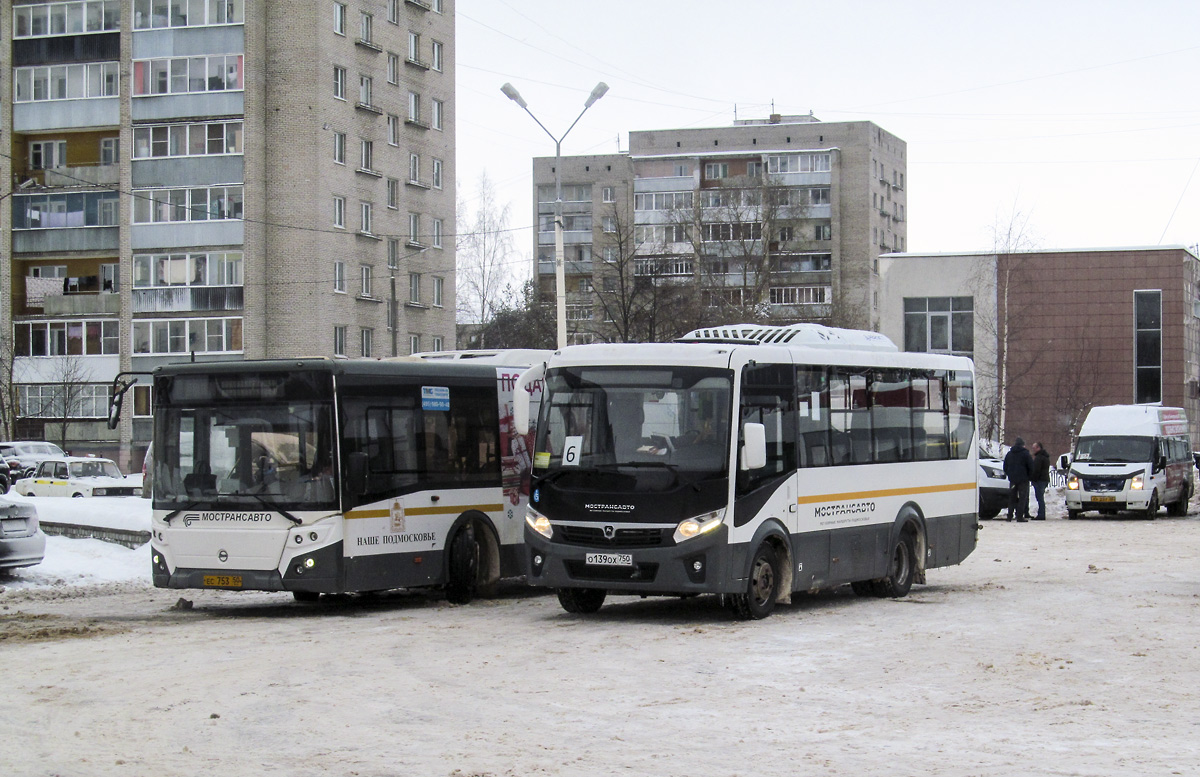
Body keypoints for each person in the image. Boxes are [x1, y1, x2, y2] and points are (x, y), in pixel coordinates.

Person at [1003, 436, 1035, 522]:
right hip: (1023, 480)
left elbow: (1005, 466)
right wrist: (1029, 476)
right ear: (1022, 445)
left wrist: (1010, 474)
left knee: (1012, 498)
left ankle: (1009, 516)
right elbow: (1031, 466)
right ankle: (1019, 516)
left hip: (1013, 480)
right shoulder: (1025, 454)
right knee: (1022, 498)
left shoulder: (1009, 454)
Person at [1030, 441, 1051, 520]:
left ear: (1038, 448)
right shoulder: (1045, 456)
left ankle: (1041, 514)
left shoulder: (1039, 458)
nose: (1033, 450)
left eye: (1034, 448)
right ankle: (1041, 513)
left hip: (1039, 480)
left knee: (1039, 498)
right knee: (1040, 497)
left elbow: (1036, 470)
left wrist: (1033, 478)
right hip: (1044, 479)